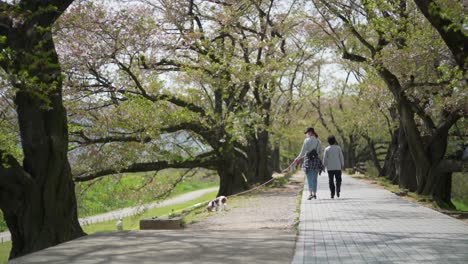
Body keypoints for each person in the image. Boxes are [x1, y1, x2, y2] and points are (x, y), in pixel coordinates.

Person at [294, 127, 322, 200]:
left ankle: (310, 194)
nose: (306, 134)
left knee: (309, 178)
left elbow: (302, 152)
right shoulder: (318, 141)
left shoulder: (306, 140)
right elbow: (320, 153)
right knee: (315, 178)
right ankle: (315, 194)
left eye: (307, 132)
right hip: (316, 161)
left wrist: (298, 158)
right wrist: (315, 155)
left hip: (308, 161)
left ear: (311, 132)